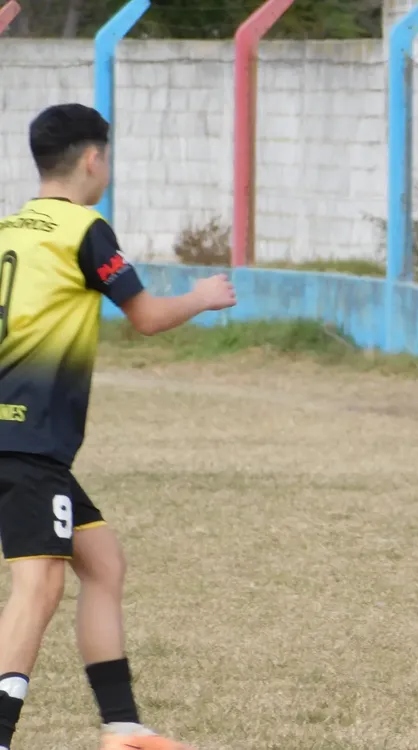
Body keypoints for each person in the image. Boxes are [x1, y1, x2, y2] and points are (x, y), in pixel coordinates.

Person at [0, 103, 237, 750]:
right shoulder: (84, 228)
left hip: (18, 438)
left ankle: (122, 727)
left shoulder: (9, 228)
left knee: (101, 562)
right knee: (39, 582)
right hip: (28, 440)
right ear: (93, 158)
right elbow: (148, 316)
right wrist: (202, 296)